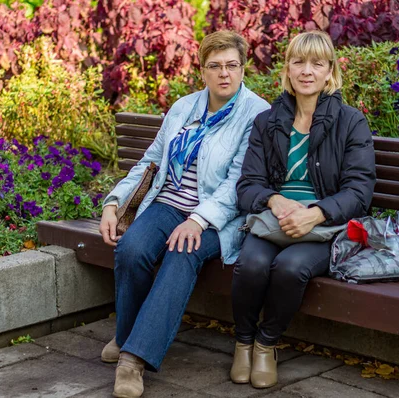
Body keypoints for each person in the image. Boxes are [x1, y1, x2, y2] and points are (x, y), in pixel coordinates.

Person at [98, 30, 270, 398]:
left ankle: (133, 360)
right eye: (215, 66)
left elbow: (238, 184)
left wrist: (198, 219)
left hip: (219, 217)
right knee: (131, 248)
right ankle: (128, 333)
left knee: (182, 253)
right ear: (202, 71)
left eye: (232, 66)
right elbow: (150, 163)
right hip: (168, 202)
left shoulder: (257, 114)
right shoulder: (183, 107)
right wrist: (113, 203)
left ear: (243, 69)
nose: (225, 74)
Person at [230, 30, 376, 389]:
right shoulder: (267, 121)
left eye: (317, 63)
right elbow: (247, 184)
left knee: (290, 268)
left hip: (325, 226)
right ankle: (242, 343)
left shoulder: (350, 121)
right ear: (288, 69)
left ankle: (266, 344)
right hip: (274, 220)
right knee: (250, 264)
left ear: (330, 72)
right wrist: (275, 200)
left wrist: (317, 212)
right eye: (299, 62)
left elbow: (360, 190)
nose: (307, 71)